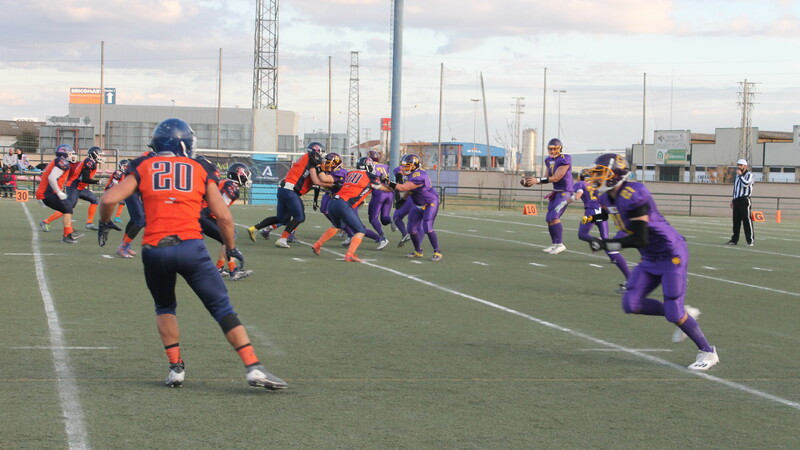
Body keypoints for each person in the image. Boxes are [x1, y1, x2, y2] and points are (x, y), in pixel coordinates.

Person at [97, 118, 286, 390]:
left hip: (154, 249)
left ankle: (176, 368)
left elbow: (108, 199)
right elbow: (224, 217)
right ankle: (253, 367)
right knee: (221, 307)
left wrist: (105, 222)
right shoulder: (199, 168)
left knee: (164, 307)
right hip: (190, 247)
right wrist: (231, 248)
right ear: (184, 144)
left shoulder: (143, 165)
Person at [584, 153, 719, 371]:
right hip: (649, 256)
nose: (596, 177)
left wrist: (606, 244)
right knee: (631, 304)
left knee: (673, 312)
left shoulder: (635, 193)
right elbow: (610, 216)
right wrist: (591, 220)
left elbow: (640, 238)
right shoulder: (607, 197)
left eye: (601, 173)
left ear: (616, 174)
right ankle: (683, 313)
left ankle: (707, 351)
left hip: (670, 253)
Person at [247, 142, 332, 248]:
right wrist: (333, 184)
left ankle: (254, 228)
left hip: (283, 189)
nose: (322, 155)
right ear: (317, 151)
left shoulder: (306, 159)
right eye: (321, 152)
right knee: (299, 217)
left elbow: (314, 182)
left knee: (282, 219)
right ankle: (282, 239)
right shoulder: (312, 157)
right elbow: (317, 181)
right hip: (290, 190)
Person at [310, 156, 394, 262]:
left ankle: (317, 244)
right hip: (344, 204)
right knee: (360, 230)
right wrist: (390, 184)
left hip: (333, 202)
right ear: (368, 166)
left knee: (337, 226)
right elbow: (387, 189)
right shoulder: (370, 176)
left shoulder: (351, 173)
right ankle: (350, 254)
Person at [571, 168, 630, 292]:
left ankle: (596, 241)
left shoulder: (581, 183)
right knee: (607, 243)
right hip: (602, 213)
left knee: (582, 234)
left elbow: (577, 196)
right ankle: (628, 277)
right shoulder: (603, 190)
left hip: (591, 212)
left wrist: (565, 200)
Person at [200, 161, 254, 281]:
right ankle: (233, 271)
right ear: (239, 175)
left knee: (228, 236)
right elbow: (219, 207)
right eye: (246, 174)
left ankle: (219, 268)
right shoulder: (232, 186)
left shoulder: (226, 183)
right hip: (204, 215)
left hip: (203, 213)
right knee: (227, 237)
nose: (247, 177)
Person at [520, 138, 573, 255]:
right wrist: (532, 181)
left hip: (565, 191)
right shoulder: (548, 160)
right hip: (556, 191)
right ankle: (555, 244)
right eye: (550, 149)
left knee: (554, 216)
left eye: (555, 149)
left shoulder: (565, 159)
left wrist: (537, 180)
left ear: (560, 148)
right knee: (549, 218)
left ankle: (560, 244)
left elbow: (556, 178)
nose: (552, 151)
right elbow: (546, 177)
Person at [389, 154, 443, 261]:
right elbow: (409, 188)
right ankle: (418, 251)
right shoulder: (411, 173)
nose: (404, 168)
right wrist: (403, 200)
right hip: (417, 203)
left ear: (414, 165)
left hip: (429, 202)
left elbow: (403, 187)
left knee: (427, 226)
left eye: (407, 165)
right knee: (411, 229)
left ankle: (437, 252)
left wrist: (387, 182)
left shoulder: (419, 175)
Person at [40, 146, 105, 231]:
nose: (101, 157)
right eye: (99, 155)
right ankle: (46, 221)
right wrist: (97, 182)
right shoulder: (89, 162)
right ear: (94, 154)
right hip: (74, 186)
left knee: (94, 200)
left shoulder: (92, 162)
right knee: (68, 207)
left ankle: (89, 223)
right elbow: (85, 179)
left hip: (79, 187)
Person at [35, 144, 83, 243]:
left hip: (46, 192)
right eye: (70, 153)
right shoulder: (62, 162)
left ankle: (69, 233)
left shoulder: (58, 161)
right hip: (47, 193)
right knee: (67, 208)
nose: (71, 155)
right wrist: (59, 192)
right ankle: (67, 236)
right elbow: (52, 177)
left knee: (67, 207)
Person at [365, 150, 391, 249]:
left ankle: (382, 237)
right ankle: (394, 220)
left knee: (373, 218)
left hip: (379, 192)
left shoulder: (371, 166)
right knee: (384, 218)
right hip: (389, 192)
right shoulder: (386, 166)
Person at [727, 159, 754, 246]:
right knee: (736, 221)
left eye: (741, 165)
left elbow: (746, 184)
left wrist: (741, 175)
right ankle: (734, 240)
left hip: (744, 199)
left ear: (745, 166)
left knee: (746, 220)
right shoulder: (737, 176)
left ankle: (750, 240)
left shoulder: (749, 175)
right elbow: (736, 188)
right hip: (737, 200)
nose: (739, 166)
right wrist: (733, 200)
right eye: (738, 165)